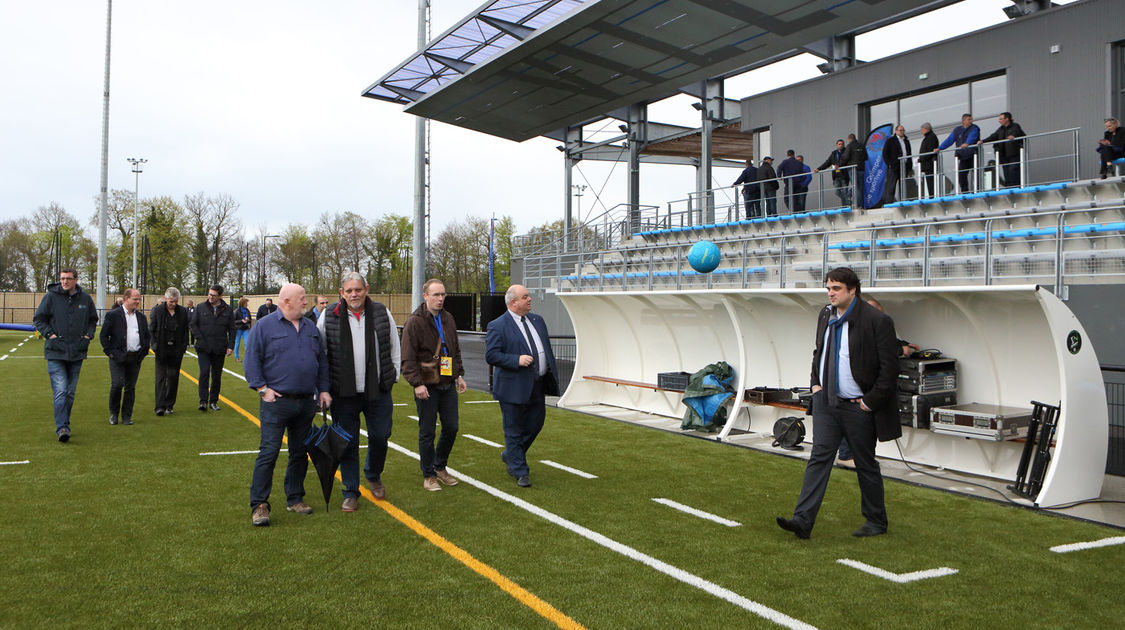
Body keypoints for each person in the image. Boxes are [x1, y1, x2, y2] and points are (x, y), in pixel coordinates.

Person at [776, 267, 901, 540]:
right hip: (827, 403)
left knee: (865, 463)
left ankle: (876, 521)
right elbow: (819, 351)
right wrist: (815, 385)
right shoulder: (825, 314)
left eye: (836, 289)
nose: (830, 293)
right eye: (828, 288)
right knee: (818, 458)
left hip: (858, 407)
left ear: (852, 290)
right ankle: (802, 521)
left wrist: (869, 403)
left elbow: (890, 369)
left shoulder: (877, 320)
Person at [246, 283, 331, 527]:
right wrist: (262, 389)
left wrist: (323, 390)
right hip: (276, 403)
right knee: (269, 453)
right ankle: (259, 504)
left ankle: (295, 497)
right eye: (302, 298)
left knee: (299, 452)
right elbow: (252, 360)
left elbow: (321, 362)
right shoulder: (264, 326)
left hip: (305, 403)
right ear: (286, 301)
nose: (306, 302)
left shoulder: (310, 327)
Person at [318, 272, 400, 510]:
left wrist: (392, 375)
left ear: (367, 289)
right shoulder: (328, 315)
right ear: (341, 293)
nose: (354, 294)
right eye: (349, 290)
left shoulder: (381, 312)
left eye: (358, 289)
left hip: (378, 390)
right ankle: (350, 491)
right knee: (348, 442)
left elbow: (394, 345)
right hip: (343, 393)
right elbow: (320, 352)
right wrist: (323, 388)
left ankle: (373, 474)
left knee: (380, 436)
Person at [485, 284, 559, 488]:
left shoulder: (538, 321)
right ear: (513, 302)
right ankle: (520, 470)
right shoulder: (498, 325)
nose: (529, 299)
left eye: (528, 295)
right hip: (512, 387)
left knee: (536, 424)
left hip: (537, 384)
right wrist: (515, 360)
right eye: (525, 296)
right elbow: (491, 355)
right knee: (514, 429)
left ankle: (511, 454)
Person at [401, 279, 467, 492]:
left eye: (443, 295)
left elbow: (455, 349)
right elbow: (408, 358)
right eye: (436, 295)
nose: (440, 299)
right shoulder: (415, 322)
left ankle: (440, 466)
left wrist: (459, 375)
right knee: (427, 431)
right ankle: (429, 474)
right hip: (427, 385)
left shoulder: (448, 318)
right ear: (425, 296)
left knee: (452, 427)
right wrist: (416, 384)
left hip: (447, 382)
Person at [838, 297, 920, 466]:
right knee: (854, 425)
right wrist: (900, 350)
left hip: (866, 393)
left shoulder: (869, 326)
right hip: (857, 391)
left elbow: (882, 343)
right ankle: (846, 456)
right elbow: (872, 350)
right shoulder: (856, 329)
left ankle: (857, 457)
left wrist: (903, 345)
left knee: (864, 428)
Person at [33, 268, 98, 442]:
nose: (64, 281)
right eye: (62, 278)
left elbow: (93, 319)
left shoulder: (85, 299)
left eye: (68, 278)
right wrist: (50, 335)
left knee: (70, 393)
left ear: (76, 280)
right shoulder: (50, 297)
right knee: (61, 391)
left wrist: (88, 336)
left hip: (77, 352)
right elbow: (38, 319)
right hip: (55, 352)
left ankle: (65, 423)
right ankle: (62, 427)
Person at [99, 288, 150, 426]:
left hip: (135, 357)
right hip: (117, 357)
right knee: (117, 384)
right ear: (126, 299)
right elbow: (104, 336)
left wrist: (143, 352)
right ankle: (113, 414)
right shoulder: (113, 315)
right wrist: (110, 352)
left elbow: (146, 336)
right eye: (135, 299)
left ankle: (127, 416)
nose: (138, 302)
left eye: (139, 299)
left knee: (130, 387)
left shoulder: (141, 317)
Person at [189, 284, 234, 412]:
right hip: (203, 347)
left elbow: (232, 329)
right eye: (209, 294)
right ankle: (203, 401)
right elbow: (193, 324)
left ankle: (213, 401)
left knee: (216, 375)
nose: (210, 297)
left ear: (220, 296)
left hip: (219, 347)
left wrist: (231, 345)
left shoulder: (228, 309)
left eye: (214, 295)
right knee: (204, 372)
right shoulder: (201, 307)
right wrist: (199, 338)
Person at [149, 287, 190, 416]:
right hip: (161, 348)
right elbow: (152, 329)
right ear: (166, 299)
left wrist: (183, 347)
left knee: (173, 377)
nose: (173, 304)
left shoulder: (182, 312)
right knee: (160, 377)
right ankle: (159, 406)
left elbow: (185, 331)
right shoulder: (158, 311)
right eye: (171, 301)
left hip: (176, 349)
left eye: (175, 301)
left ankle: (169, 404)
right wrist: (154, 345)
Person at [979, 112, 1026, 187]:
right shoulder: (1000, 129)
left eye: (1001, 119)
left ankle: (1016, 187)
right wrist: (983, 141)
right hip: (1004, 155)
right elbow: (993, 136)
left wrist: (1013, 136)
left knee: (1013, 169)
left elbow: (1017, 133)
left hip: (1014, 154)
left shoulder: (1015, 126)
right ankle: (1009, 187)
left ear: (1007, 119)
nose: (999, 121)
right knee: (1006, 172)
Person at [937, 113, 981, 193]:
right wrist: (940, 148)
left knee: (977, 173)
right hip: (963, 157)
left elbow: (972, 136)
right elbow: (950, 140)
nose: (971, 121)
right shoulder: (957, 130)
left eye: (971, 119)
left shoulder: (974, 128)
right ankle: (965, 192)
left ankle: (978, 191)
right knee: (962, 175)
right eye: (969, 119)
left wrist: (967, 143)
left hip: (973, 155)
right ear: (963, 120)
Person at [881, 125, 912, 205]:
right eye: (900, 130)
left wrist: (909, 167)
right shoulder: (890, 141)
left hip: (904, 166)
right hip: (894, 166)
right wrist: (890, 164)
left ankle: (903, 201)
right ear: (896, 131)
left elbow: (909, 153)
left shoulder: (906, 141)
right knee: (891, 185)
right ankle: (889, 202)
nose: (902, 132)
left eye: (903, 130)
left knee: (903, 185)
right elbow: (885, 154)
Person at [815, 139, 851, 206]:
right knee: (837, 192)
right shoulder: (834, 153)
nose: (841, 145)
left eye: (842, 144)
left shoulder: (846, 152)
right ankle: (848, 202)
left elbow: (846, 160)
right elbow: (827, 162)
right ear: (837, 145)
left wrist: (839, 165)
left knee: (845, 191)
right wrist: (819, 169)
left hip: (844, 175)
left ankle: (845, 206)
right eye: (839, 144)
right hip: (836, 176)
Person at [844, 133, 867, 205]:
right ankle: (862, 204)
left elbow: (846, 157)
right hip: (862, 168)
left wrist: (839, 164)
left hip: (853, 169)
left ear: (849, 139)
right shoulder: (862, 145)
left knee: (855, 186)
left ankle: (858, 204)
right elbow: (866, 157)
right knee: (861, 187)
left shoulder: (849, 146)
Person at [918, 123, 940, 197]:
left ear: (926, 129)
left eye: (922, 130)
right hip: (927, 164)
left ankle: (932, 196)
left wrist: (922, 159)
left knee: (931, 182)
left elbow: (930, 151)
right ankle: (931, 195)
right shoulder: (928, 137)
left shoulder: (931, 137)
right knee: (929, 182)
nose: (921, 131)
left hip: (929, 164)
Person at [233, 297, 252, 362]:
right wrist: (241, 321)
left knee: (247, 343)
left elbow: (250, 320)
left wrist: (248, 320)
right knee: (237, 343)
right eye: (246, 303)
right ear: (243, 303)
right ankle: (237, 357)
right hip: (238, 329)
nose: (247, 304)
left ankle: (248, 358)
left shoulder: (247, 311)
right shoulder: (236, 311)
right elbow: (233, 321)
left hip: (245, 329)